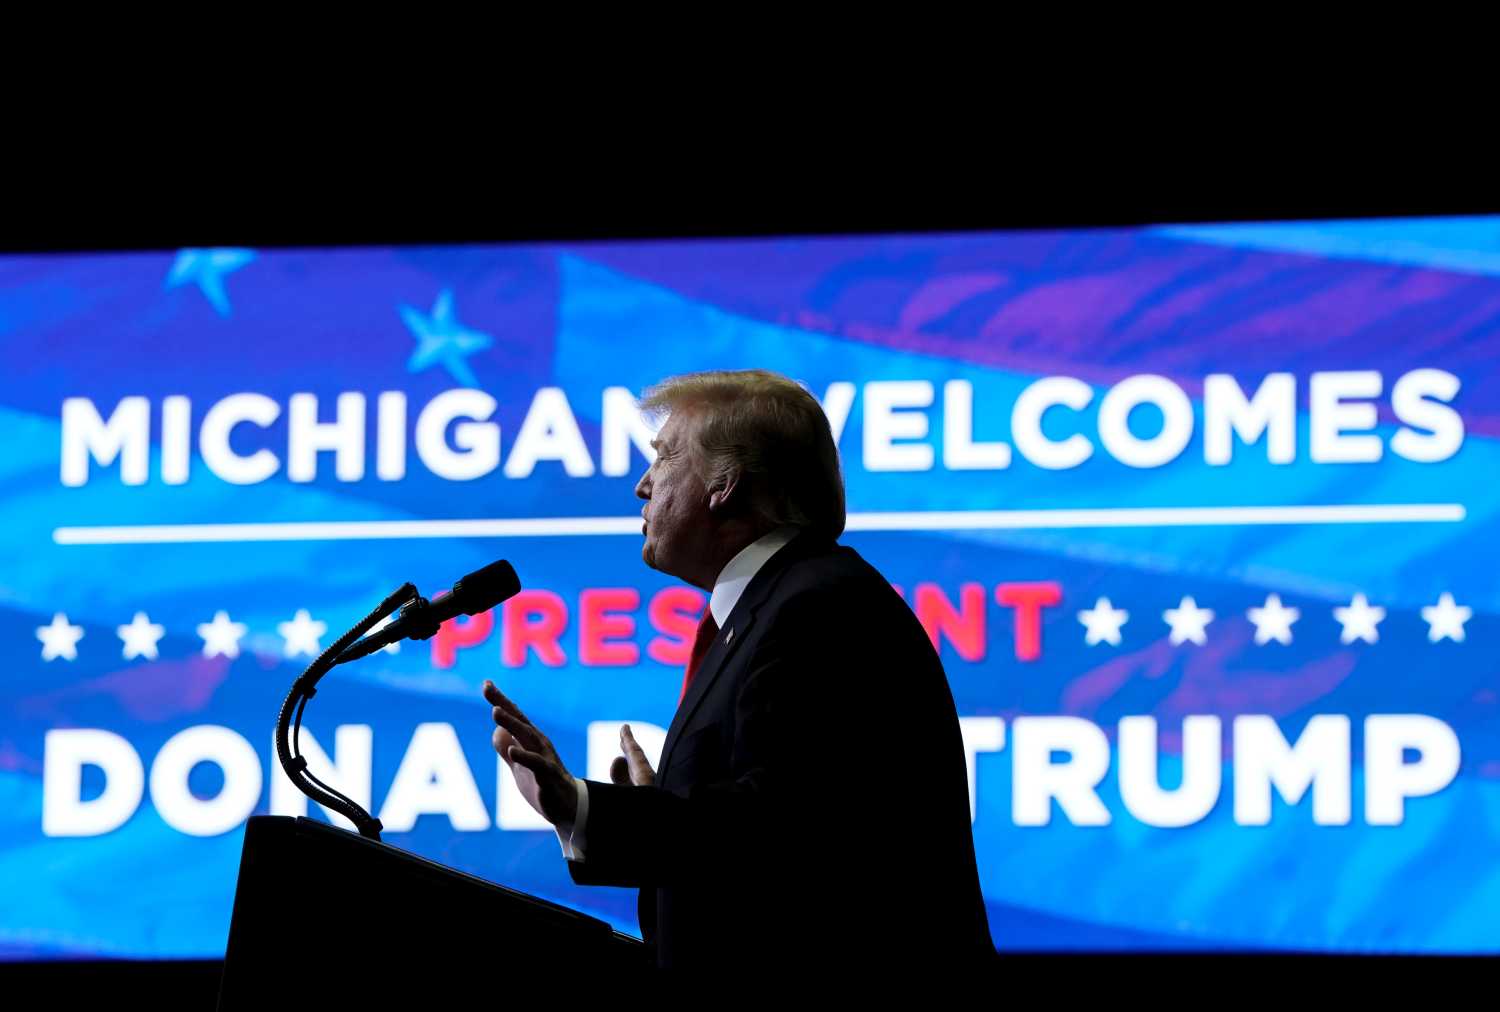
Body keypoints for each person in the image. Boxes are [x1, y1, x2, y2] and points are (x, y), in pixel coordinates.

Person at [482, 368, 993, 968]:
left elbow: (776, 830)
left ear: (724, 484)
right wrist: (660, 803)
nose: (643, 486)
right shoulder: (774, 606)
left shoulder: (817, 607)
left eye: (665, 457)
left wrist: (582, 808)